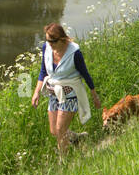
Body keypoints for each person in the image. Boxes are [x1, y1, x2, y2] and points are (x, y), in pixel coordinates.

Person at [31, 22, 101, 155]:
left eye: (52, 41)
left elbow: (85, 74)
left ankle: (64, 162)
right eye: (47, 40)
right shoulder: (46, 48)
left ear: (61, 39)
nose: (49, 44)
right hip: (53, 94)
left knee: (60, 130)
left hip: (70, 94)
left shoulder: (75, 53)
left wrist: (94, 96)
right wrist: (36, 93)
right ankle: (76, 138)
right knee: (54, 131)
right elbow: (43, 72)